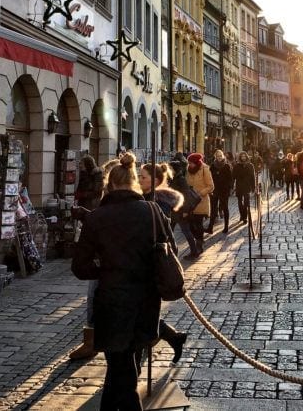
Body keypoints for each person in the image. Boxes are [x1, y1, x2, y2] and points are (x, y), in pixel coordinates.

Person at [72, 153, 169, 410]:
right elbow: (170, 253)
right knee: (125, 366)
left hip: (111, 301)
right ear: (135, 181)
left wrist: (106, 269)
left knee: (121, 367)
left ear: (109, 184)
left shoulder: (96, 218)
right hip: (145, 302)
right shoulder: (152, 210)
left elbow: (80, 267)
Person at [139, 163, 189, 363]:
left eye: (143, 177)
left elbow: (159, 236)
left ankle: (170, 338)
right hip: (148, 261)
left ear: (156, 181)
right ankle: (173, 337)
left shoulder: (156, 203)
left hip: (153, 263)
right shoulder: (148, 200)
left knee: (142, 312)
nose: (139, 180)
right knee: (143, 312)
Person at [69, 155, 105, 360]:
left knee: (95, 297)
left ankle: (92, 342)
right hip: (105, 264)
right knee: (94, 297)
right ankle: (91, 341)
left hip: (108, 266)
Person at [168, 158, 201, 258]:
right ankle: (171, 252)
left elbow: (186, 196)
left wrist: (186, 210)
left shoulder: (181, 180)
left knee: (185, 231)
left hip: (180, 210)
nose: (169, 170)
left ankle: (194, 251)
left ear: (174, 169)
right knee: (169, 231)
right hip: (174, 210)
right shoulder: (174, 179)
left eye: (170, 168)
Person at [186, 153, 214, 253]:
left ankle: (199, 244)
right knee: (190, 225)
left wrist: (200, 193)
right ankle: (199, 240)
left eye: (191, 163)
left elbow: (211, 186)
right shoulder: (188, 169)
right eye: (188, 163)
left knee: (198, 224)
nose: (190, 164)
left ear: (196, 162)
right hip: (190, 201)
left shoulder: (204, 169)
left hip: (201, 201)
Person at [207, 150, 233, 235]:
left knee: (225, 208)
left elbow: (230, 179)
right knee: (213, 209)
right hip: (214, 190)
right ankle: (210, 227)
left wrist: (229, 188)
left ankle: (226, 226)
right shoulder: (212, 166)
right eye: (217, 156)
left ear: (223, 156)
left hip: (224, 190)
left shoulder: (226, 166)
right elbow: (209, 178)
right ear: (215, 156)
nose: (219, 157)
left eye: (220, 156)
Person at [232, 151, 256, 224]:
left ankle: (244, 217)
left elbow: (253, 177)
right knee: (240, 202)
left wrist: (253, 187)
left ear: (246, 157)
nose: (243, 158)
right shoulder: (236, 166)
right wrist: (232, 186)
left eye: (244, 156)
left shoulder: (250, 165)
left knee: (246, 202)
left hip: (247, 186)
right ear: (240, 157)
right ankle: (242, 215)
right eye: (242, 156)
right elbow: (233, 176)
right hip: (239, 186)